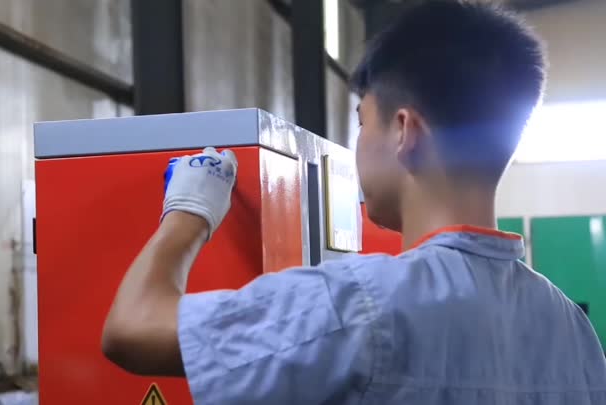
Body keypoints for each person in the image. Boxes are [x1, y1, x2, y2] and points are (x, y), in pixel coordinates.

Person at [101, 1, 606, 403]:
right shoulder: (573, 329)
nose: (358, 141)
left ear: (405, 131)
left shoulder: (359, 304)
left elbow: (131, 326)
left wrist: (189, 210)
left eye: (363, 121)